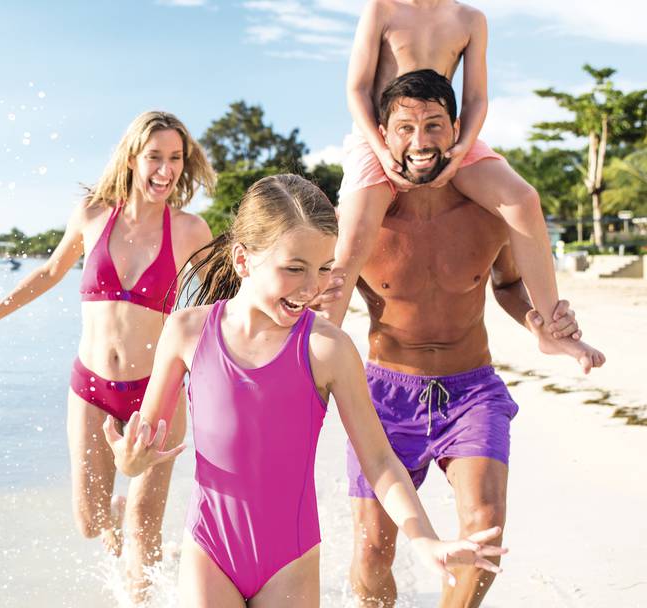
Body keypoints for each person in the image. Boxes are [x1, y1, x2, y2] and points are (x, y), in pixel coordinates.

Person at [105, 174, 507, 606]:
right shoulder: (187, 332)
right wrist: (130, 460)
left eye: (323, 269)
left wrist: (424, 539)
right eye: (294, 268)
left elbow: (378, 459)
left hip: (290, 561)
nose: (312, 287)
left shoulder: (326, 348)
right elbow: (146, 437)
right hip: (209, 548)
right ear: (243, 260)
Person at [336, 71, 605, 607]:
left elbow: (506, 284)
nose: (420, 141)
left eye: (434, 125)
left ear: (456, 129)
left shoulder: (489, 212)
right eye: (406, 127)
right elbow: (323, 297)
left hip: (471, 392)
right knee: (372, 552)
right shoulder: (366, 219)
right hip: (386, 396)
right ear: (383, 137)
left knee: (484, 535)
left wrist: (539, 322)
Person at [0, 110, 216, 599]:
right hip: (92, 388)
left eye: (176, 158)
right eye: (155, 157)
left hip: (155, 393)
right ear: (133, 157)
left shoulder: (189, 230)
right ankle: (110, 515)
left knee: (144, 528)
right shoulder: (94, 215)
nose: (166, 170)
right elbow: (50, 273)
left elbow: (226, 298)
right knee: (91, 522)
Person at [329, 0, 569, 351]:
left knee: (523, 200)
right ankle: (317, 346)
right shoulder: (382, 9)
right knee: (353, 238)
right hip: (382, 137)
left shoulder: (470, 19)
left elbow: (475, 99)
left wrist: (459, 152)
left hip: (446, 135)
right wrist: (381, 150)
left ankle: (551, 326)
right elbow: (357, 90)